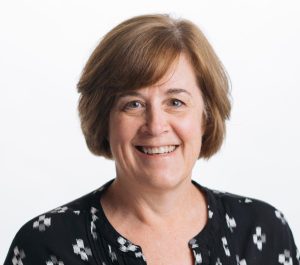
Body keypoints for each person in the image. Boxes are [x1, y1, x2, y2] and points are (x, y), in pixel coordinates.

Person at [4, 14, 299, 265]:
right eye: (133, 104)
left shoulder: (263, 231)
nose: (156, 125)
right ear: (104, 120)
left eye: (176, 102)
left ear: (206, 117)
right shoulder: (46, 246)